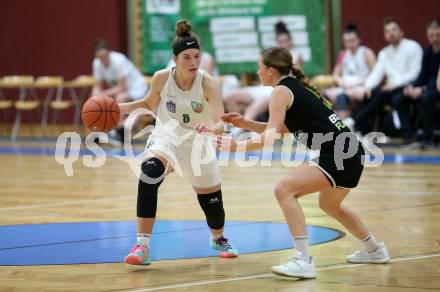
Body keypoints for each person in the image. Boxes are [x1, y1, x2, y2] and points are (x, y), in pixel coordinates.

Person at [197, 47, 390, 278]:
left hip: (339, 154)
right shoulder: (294, 87)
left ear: (270, 70)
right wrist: (246, 123)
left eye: (259, 68)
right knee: (330, 206)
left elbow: (269, 138)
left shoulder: (280, 91)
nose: (258, 72)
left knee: (284, 190)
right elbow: (282, 130)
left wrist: (234, 146)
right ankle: (375, 249)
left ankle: (303, 260)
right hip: (352, 152)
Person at [117, 20, 238, 266]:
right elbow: (148, 104)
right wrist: (118, 108)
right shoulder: (162, 78)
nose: (194, 62)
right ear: (175, 59)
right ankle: (142, 245)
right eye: (187, 57)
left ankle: (218, 238)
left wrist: (210, 129)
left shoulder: (209, 83)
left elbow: (222, 122)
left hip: (199, 142)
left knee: (212, 203)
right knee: (148, 174)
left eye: (197, 56)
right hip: (167, 137)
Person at [344, 17, 423, 135]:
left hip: (410, 86)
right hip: (390, 89)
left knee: (384, 94)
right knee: (369, 93)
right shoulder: (384, 53)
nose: (390, 33)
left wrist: (395, 84)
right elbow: (376, 73)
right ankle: (359, 128)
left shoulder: (413, 47)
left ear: (401, 32)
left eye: (393, 29)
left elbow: (415, 72)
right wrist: (366, 88)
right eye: (387, 31)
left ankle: (353, 121)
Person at [223, 21, 302, 134]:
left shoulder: (295, 56)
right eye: (281, 41)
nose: (283, 44)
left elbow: (287, 77)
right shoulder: (272, 57)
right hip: (263, 88)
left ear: (290, 41)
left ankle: (240, 131)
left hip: (275, 90)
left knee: (253, 107)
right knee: (230, 96)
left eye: (286, 41)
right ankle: (239, 127)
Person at [393, 20, 440, 147]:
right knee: (398, 98)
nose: (434, 38)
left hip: (437, 89)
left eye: (437, 35)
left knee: (426, 98)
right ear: (427, 35)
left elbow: (437, 79)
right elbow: (423, 74)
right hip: (428, 88)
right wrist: (412, 87)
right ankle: (411, 133)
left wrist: (422, 89)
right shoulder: (427, 52)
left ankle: (428, 136)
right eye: (431, 35)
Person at [92, 39, 148, 145]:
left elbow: (120, 87)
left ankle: (115, 132)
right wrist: (94, 97)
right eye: (100, 57)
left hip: (138, 89)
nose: (103, 59)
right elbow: (97, 86)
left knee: (120, 99)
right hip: (124, 91)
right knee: (102, 100)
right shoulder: (96, 63)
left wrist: (101, 94)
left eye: (104, 56)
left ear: (109, 53)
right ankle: (115, 133)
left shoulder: (119, 60)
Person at [324, 24, 376, 118]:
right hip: (345, 86)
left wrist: (362, 83)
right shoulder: (343, 54)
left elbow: (376, 74)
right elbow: (335, 74)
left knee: (342, 97)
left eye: (352, 40)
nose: (350, 44)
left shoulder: (366, 52)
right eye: (347, 41)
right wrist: (342, 82)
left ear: (359, 40)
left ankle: (347, 125)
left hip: (361, 86)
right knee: (324, 96)